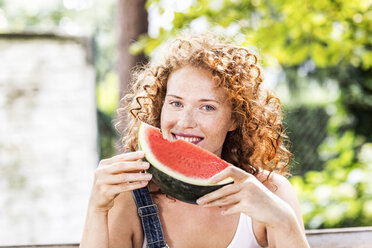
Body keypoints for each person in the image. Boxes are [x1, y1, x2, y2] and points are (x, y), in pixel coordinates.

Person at [80, 33, 310, 248]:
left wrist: (282, 219)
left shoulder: (271, 192)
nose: (185, 121)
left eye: (207, 107)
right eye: (176, 103)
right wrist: (97, 208)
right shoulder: (130, 198)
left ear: (235, 120)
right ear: (160, 106)